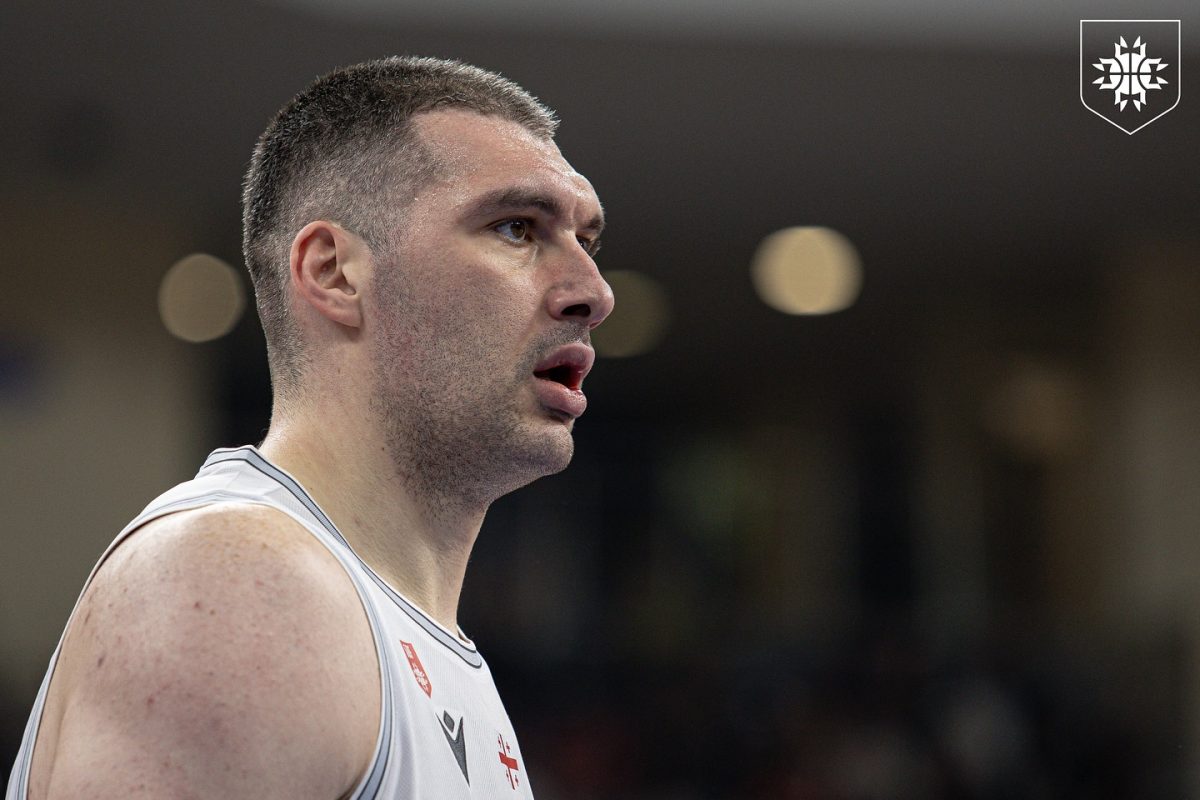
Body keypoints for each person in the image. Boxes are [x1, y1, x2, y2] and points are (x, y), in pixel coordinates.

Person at [6, 56, 613, 799]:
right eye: (517, 228)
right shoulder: (245, 585)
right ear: (333, 273)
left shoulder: (407, 635)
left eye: (587, 241)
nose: (593, 292)